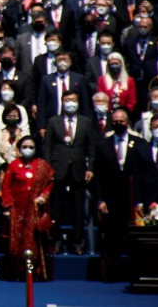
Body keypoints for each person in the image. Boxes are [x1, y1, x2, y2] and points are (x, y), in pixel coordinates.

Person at [43, 90, 97, 254]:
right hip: (58, 168)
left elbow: (91, 148)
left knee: (78, 208)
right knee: (56, 208)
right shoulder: (54, 121)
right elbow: (47, 146)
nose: (70, 102)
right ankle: (56, 240)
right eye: (67, 100)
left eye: (73, 99)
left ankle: (77, 241)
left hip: (79, 169)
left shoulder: (86, 122)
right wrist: (47, 168)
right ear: (62, 101)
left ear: (78, 102)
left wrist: (90, 168)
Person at [95, 108, 145, 281]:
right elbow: (99, 175)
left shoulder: (139, 143)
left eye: (121, 121)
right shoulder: (103, 144)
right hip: (110, 199)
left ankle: (135, 272)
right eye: (115, 121)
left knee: (133, 236)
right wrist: (100, 199)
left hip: (132, 197)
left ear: (128, 123)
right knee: (111, 237)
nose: (118, 124)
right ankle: (112, 271)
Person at [1, 136, 54, 280]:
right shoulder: (13, 165)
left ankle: (35, 272)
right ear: (19, 148)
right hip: (18, 210)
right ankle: (19, 272)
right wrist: (7, 206)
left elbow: (50, 182)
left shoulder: (42, 165)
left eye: (31, 147)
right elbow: (5, 187)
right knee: (18, 241)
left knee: (34, 240)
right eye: (25, 147)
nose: (28, 150)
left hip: (35, 209)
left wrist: (43, 197)